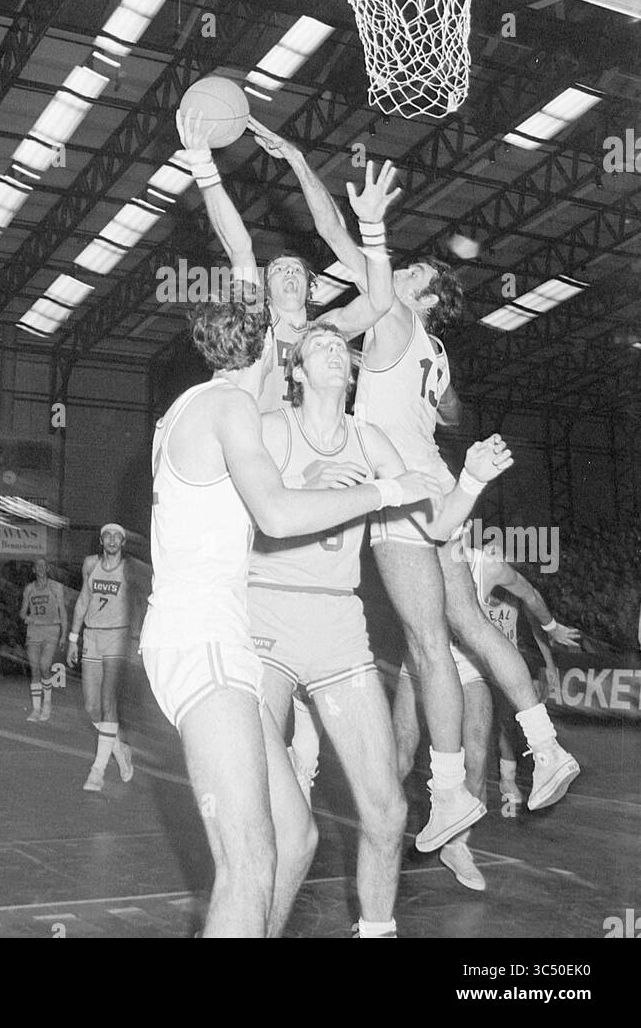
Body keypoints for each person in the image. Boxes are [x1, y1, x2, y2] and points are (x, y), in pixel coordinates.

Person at [249, 119, 580, 851]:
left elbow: (337, 236)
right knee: (463, 627)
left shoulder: (396, 318)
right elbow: (444, 410)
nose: (396, 278)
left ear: (424, 299)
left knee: (429, 643)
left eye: (410, 277)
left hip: (405, 492)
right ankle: (545, 745)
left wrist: (308, 169)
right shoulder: (432, 351)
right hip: (441, 489)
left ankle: (451, 790)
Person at [142, 293, 446, 938]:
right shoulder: (227, 406)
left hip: (217, 639)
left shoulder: (199, 406)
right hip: (204, 643)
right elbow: (278, 516)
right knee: (249, 863)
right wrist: (387, 489)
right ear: (277, 358)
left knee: (296, 838)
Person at [248, 323, 512, 936]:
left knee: (389, 812)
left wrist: (469, 478)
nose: (337, 353)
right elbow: (244, 514)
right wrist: (298, 487)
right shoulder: (268, 430)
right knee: (268, 818)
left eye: (343, 348)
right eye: (321, 347)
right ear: (296, 370)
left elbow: (439, 526)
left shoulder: (372, 440)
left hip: (338, 624)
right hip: (268, 618)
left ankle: (376, 929)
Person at [176, 109, 399, 798]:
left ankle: (298, 750)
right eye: (278, 276)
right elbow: (237, 241)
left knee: (313, 613)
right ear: (265, 294)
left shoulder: (325, 336)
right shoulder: (255, 333)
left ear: (309, 289)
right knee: (256, 621)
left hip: (305, 481)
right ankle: (266, 750)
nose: (289, 279)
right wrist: (203, 163)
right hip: (254, 481)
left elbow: (381, 294)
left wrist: (299, 161)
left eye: (298, 274)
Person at [394, 528, 582, 890]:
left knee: (477, 751)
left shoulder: (488, 564)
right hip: (421, 665)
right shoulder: (414, 556)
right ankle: (383, 834)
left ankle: (458, 845)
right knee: (401, 758)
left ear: (465, 532)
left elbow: (528, 593)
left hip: (467, 664)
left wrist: (552, 626)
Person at [67, 524, 137, 792]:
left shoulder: (129, 570)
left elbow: (138, 603)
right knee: (91, 706)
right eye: (107, 535)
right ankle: (118, 747)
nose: (112, 540)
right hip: (92, 636)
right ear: (101, 540)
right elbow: (84, 600)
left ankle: (97, 770)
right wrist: (74, 638)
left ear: (122, 542)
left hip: (117, 638)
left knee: (109, 702)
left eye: (117, 536)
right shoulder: (90, 564)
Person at [19, 558, 67, 723]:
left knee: (45, 666)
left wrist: (64, 634)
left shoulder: (56, 587)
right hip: (34, 631)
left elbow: (63, 612)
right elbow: (22, 613)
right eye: (37, 566)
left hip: (51, 630)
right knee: (35, 669)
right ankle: (36, 709)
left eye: (43, 566)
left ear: (47, 569)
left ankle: (47, 703)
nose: (40, 568)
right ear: (33, 569)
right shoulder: (29, 589)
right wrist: (28, 619)